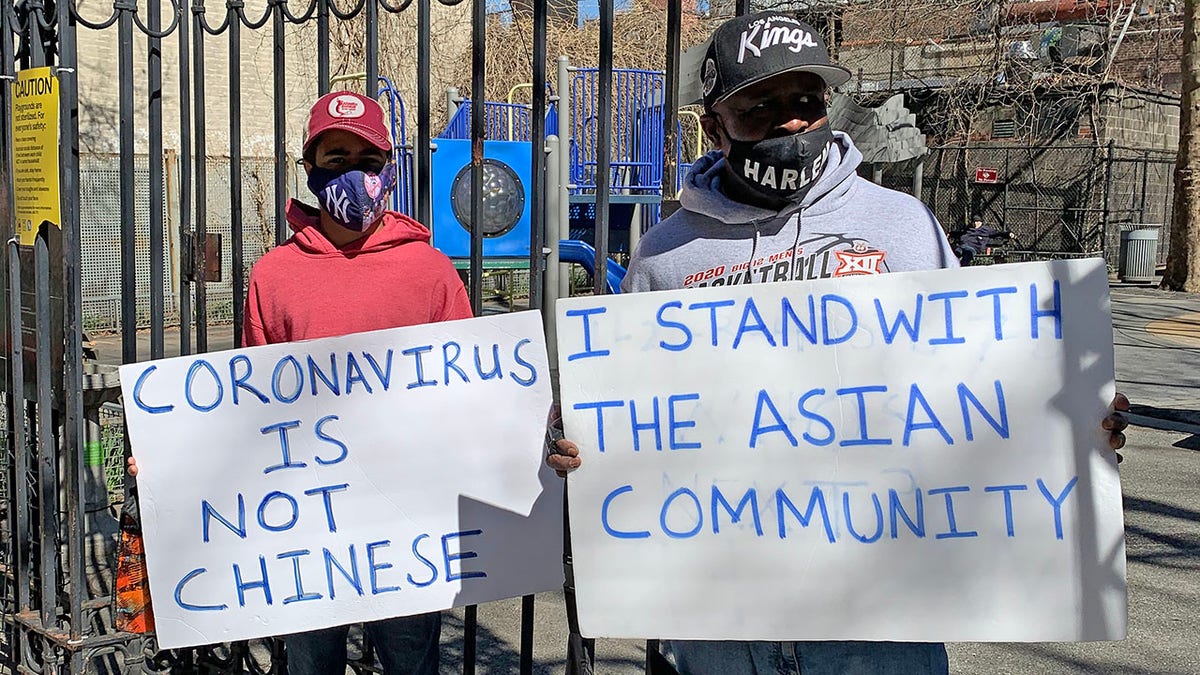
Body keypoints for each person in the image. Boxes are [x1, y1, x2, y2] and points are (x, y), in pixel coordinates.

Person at [546, 11, 1130, 675]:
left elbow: (972, 384)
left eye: (806, 100)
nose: (791, 120)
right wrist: (581, 440)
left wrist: (1073, 427)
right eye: (761, 106)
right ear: (713, 126)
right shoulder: (665, 254)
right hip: (717, 626)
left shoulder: (903, 227)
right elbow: (631, 417)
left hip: (880, 624)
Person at [130, 89, 472, 675]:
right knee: (312, 664)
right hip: (310, 531)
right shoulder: (274, 275)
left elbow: (475, 394)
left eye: (367, 160)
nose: (353, 174)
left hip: (408, 521)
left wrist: (536, 441)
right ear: (310, 170)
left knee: (412, 661)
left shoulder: (430, 271)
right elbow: (249, 408)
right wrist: (175, 455)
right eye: (335, 159)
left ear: (388, 168)